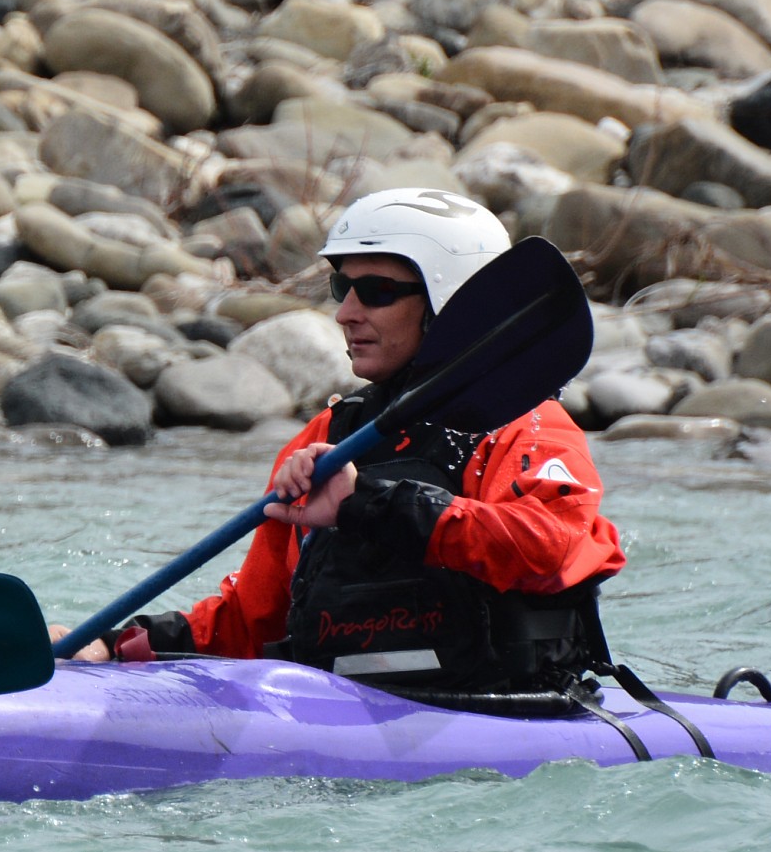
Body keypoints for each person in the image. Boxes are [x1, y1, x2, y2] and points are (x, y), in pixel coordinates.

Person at [75, 188, 625, 696]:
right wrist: (117, 645)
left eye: (377, 292)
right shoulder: (329, 436)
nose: (345, 313)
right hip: (340, 712)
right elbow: (251, 619)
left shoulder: (526, 425)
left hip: (502, 710)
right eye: (344, 288)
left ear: (450, 303)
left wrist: (369, 503)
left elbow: (553, 549)